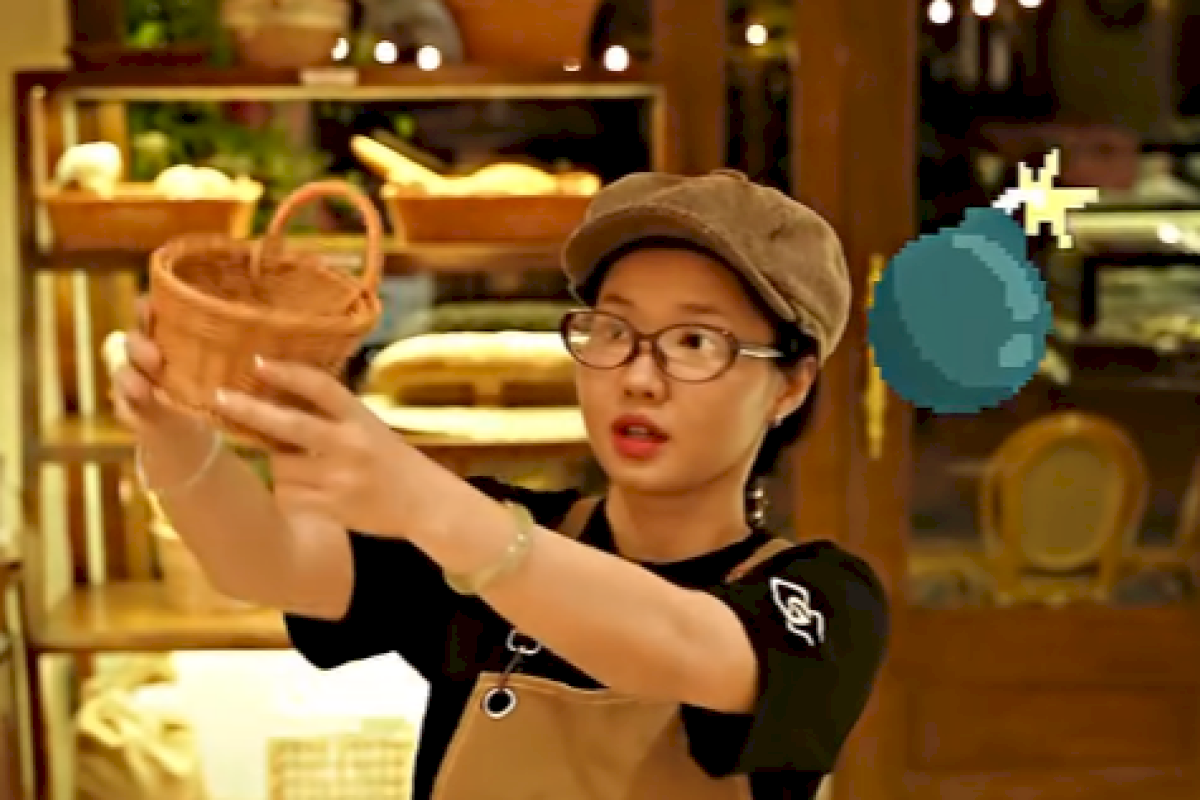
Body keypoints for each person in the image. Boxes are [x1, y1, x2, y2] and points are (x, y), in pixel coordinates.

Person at [114, 169, 890, 800]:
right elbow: (268, 563)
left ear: (791, 384)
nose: (638, 377)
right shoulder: (494, 525)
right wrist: (169, 428)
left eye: (693, 341)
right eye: (614, 330)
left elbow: (682, 644)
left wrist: (421, 498)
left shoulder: (823, 600)